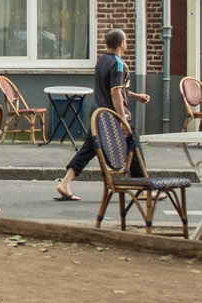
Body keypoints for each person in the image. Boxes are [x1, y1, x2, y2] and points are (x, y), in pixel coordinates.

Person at [54, 29, 150, 201]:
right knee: (134, 145)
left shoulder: (101, 61)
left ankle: (65, 183)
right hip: (112, 115)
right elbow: (115, 94)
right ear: (122, 44)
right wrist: (122, 120)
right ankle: (143, 188)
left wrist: (135, 96)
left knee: (89, 148)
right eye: (125, 41)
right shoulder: (118, 63)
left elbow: (115, 89)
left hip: (97, 114)